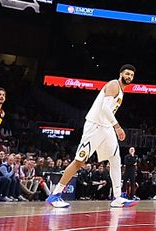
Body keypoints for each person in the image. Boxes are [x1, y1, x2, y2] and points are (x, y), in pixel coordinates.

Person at [46, 65, 138, 208]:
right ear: (121, 74)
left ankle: (117, 197)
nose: (129, 77)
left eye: (131, 75)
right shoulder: (114, 84)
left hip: (106, 127)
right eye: (127, 74)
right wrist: (118, 126)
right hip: (95, 126)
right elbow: (105, 108)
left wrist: (112, 126)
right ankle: (55, 194)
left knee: (115, 159)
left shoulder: (122, 91)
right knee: (80, 161)